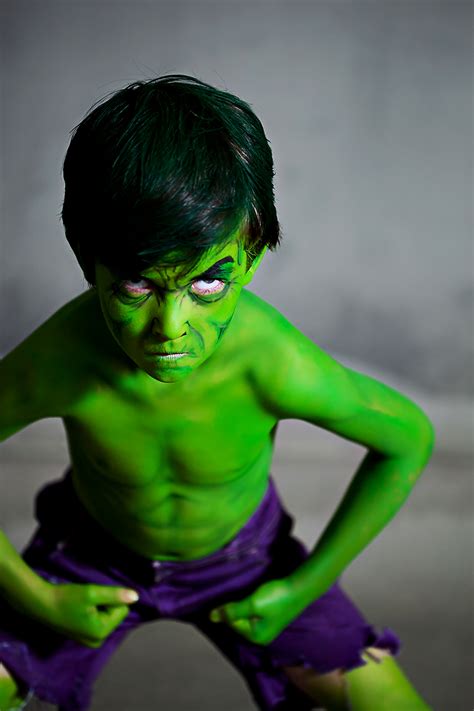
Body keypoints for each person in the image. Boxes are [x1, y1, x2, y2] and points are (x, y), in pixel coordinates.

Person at [0, 75, 434, 711]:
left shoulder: (272, 362)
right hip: (90, 552)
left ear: (252, 258)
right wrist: (37, 597)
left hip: (246, 558)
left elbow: (409, 438)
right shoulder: (60, 361)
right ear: (87, 258)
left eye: (206, 284)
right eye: (137, 287)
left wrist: (303, 587)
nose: (170, 331)